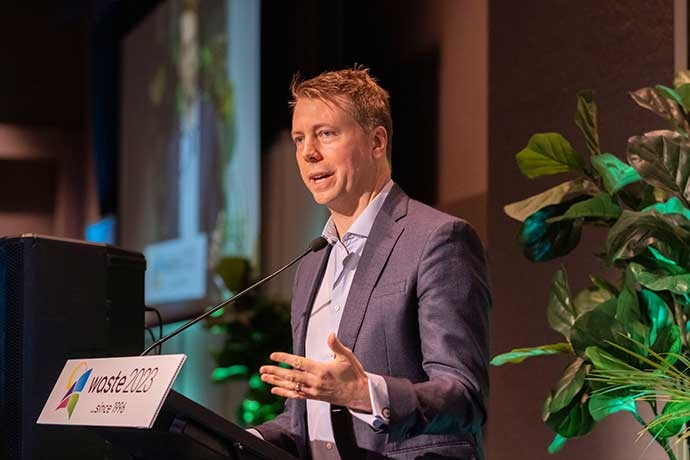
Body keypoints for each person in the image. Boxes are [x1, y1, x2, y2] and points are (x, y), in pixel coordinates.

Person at [253, 67, 491, 460]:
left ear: (377, 142)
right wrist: (239, 439)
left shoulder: (438, 240)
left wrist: (368, 394)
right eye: (299, 138)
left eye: (326, 133)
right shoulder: (312, 265)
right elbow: (308, 419)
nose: (308, 152)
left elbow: (464, 397)